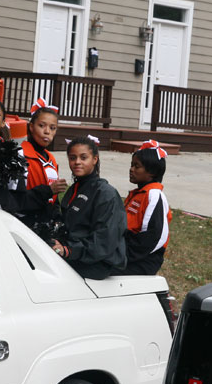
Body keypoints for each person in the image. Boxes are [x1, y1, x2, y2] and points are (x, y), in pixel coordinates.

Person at [52, 136, 127, 280]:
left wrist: (68, 251)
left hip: (95, 264)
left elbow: (104, 240)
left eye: (83, 157)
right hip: (74, 255)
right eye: (72, 158)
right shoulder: (74, 189)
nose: (77, 162)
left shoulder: (106, 193)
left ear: (95, 159)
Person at [116, 140, 172, 275]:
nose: (131, 169)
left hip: (143, 259)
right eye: (131, 165)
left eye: (137, 166)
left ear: (151, 172)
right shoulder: (138, 193)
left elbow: (154, 236)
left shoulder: (154, 195)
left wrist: (124, 255)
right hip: (127, 250)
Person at [19, 98, 68, 230]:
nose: (47, 132)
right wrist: (49, 190)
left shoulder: (51, 158)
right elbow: (16, 199)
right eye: (42, 126)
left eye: (53, 128)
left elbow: (54, 198)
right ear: (31, 127)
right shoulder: (20, 153)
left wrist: (57, 217)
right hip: (24, 223)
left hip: (45, 224)